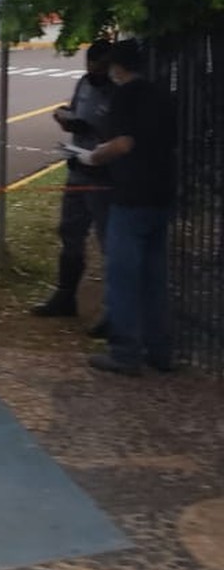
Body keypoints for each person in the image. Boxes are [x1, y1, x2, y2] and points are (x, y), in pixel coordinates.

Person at [65, 40, 176, 375]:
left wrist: (92, 156)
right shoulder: (161, 95)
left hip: (131, 196)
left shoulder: (125, 96)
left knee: (123, 276)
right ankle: (159, 350)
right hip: (161, 194)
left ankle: (125, 351)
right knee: (154, 277)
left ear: (118, 67)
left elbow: (124, 143)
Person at [31, 40, 114, 325]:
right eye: (91, 66)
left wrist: (92, 128)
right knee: (70, 233)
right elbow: (76, 110)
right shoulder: (85, 84)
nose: (95, 72)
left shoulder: (118, 91)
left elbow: (122, 133)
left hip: (103, 176)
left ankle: (112, 311)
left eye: (101, 68)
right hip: (78, 168)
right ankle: (65, 296)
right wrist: (66, 117)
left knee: (108, 241)